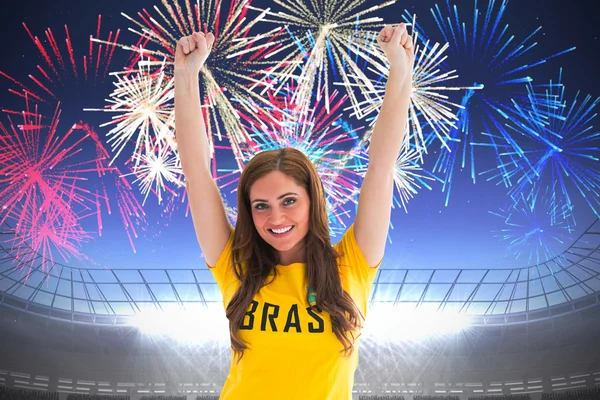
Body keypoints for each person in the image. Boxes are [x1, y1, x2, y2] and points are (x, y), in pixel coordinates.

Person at [174, 22, 414, 400]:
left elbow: (381, 165)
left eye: (289, 201)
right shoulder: (234, 265)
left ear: (312, 200)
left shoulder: (351, 263)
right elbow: (195, 169)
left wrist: (400, 70)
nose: (276, 218)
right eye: (261, 206)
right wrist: (186, 76)